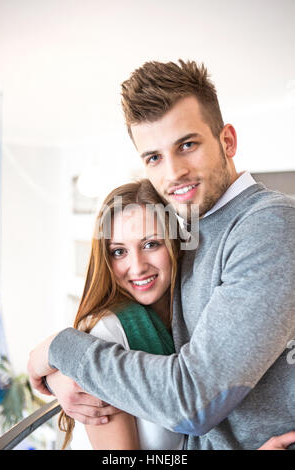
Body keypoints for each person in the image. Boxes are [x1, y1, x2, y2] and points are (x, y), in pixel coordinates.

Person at [28, 59, 295, 450]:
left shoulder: (268, 224)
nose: (173, 173)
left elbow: (192, 401)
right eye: (154, 157)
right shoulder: (194, 233)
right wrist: (63, 377)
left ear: (227, 141)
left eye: (187, 145)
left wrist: (59, 348)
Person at [57, 179, 184, 449]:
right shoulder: (107, 332)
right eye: (119, 251)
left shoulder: (188, 320)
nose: (136, 267)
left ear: (175, 243)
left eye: (151, 244)